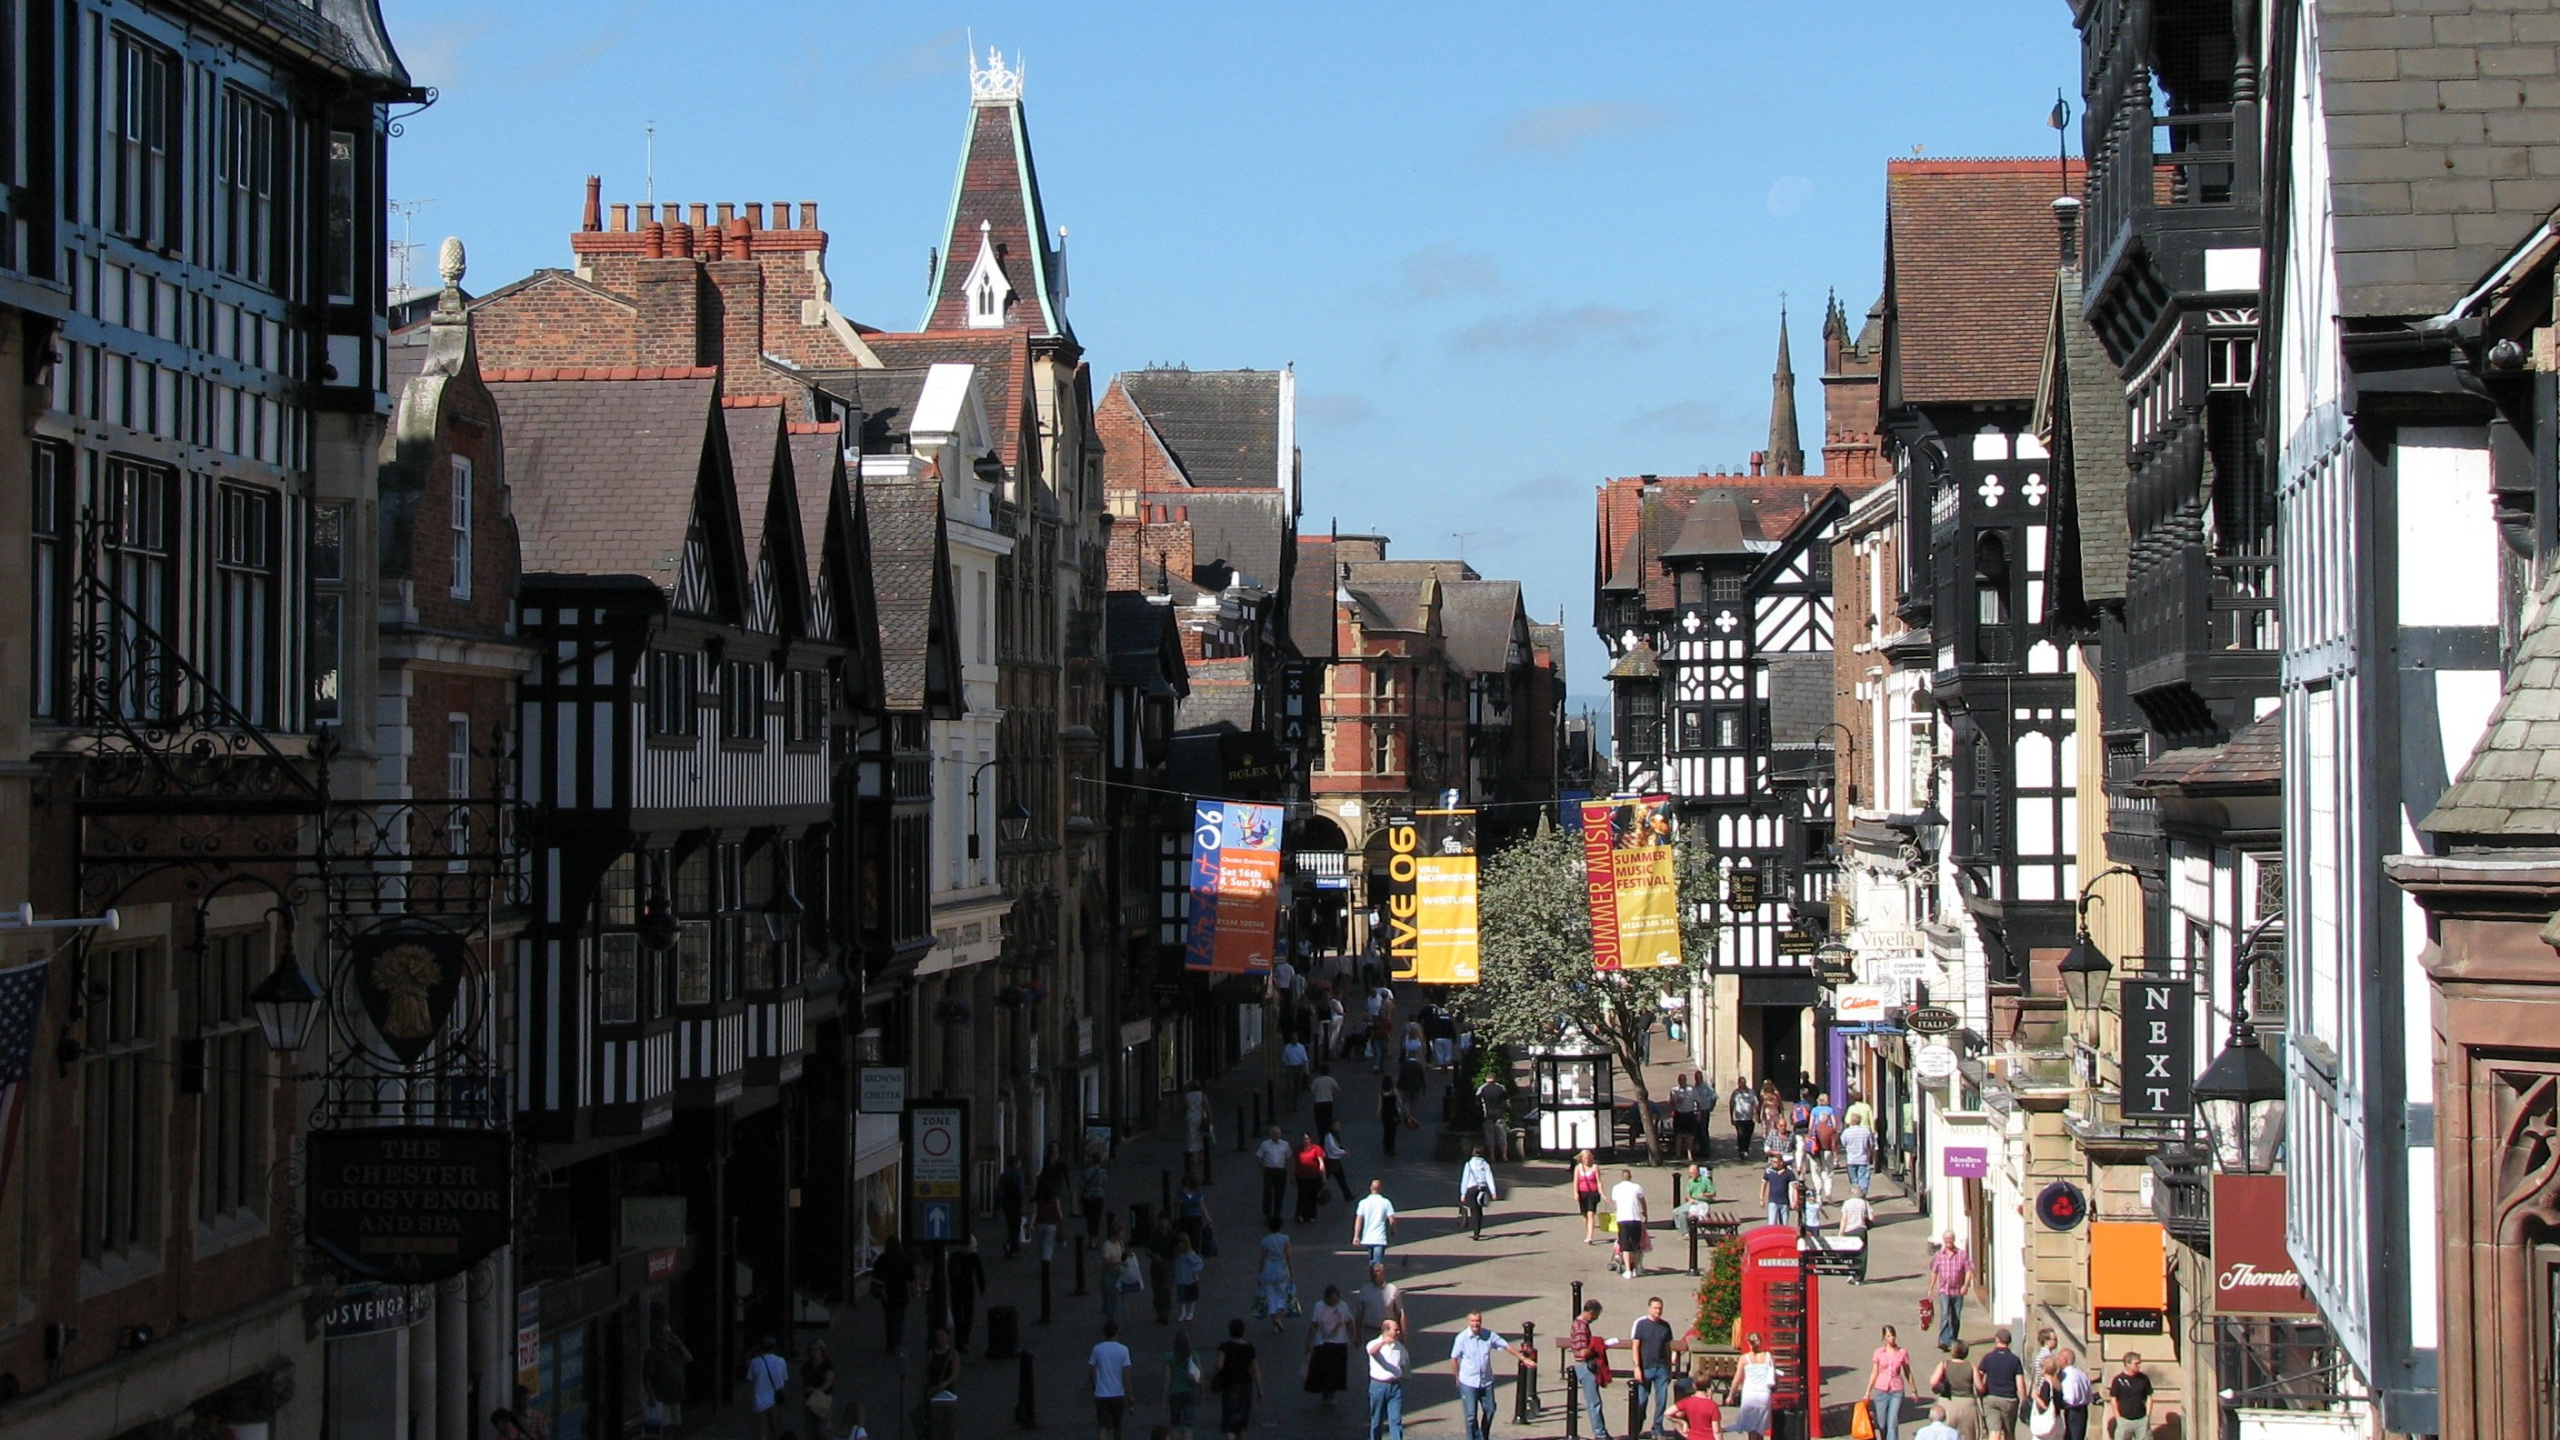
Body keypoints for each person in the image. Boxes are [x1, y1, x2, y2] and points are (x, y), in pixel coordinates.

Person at [1449, 1311, 1520, 1440]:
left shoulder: (1488, 1335)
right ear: (1468, 1322)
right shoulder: (1462, 1338)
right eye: (1473, 1321)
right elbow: (1453, 1358)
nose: (1475, 1324)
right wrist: (1457, 1376)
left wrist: (1522, 1358)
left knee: (1490, 1409)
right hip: (1468, 1382)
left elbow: (1505, 1345)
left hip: (1486, 1381)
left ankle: (1483, 1436)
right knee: (1471, 1416)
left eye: (1477, 1321)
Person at [1568, 1300, 1618, 1440]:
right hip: (1585, 1366)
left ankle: (1601, 1432)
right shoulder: (1580, 1327)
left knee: (1595, 1402)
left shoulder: (1581, 1324)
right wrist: (1599, 1345)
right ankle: (1600, 1434)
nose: (1596, 1318)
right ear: (1591, 1312)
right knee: (1594, 1402)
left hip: (1584, 1365)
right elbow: (1583, 1352)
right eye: (1596, 1314)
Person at [1631, 1295, 1679, 1440]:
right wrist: (1637, 1366)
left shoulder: (1665, 1326)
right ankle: (1636, 1427)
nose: (1658, 1311)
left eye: (1660, 1308)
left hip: (1662, 1368)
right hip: (1646, 1367)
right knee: (1641, 1400)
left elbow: (1667, 1347)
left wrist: (1670, 1367)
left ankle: (1657, 1428)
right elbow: (1635, 1346)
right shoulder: (1641, 1324)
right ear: (1649, 1308)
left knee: (1662, 1400)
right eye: (1655, 1308)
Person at [1214, 1318, 1264, 1440]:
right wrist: (1260, 1388)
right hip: (1245, 1386)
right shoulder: (1249, 1348)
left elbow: (1219, 1365)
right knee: (1242, 1424)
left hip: (1230, 1385)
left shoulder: (1225, 1347)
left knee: (1230, 1423)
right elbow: (1255, 1370)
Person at [1306, 1284, 1356, 1406]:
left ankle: (1332, 1393)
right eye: (1331, 1300)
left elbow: (1349, 1322)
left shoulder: (1343, 1306)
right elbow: (1314, 1325)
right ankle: (1325, 1391)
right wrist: (1309, 1342)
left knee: (1335, 1370)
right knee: (1323, 1369)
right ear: (1326, 1298)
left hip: (1339, 1343)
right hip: (1322, 1343)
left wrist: (1352, 1337)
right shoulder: (1319, 1306)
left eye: (1336, 1299)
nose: (1334, 1303)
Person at [642, 1319, 692, 1433]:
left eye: (670, 1332)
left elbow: (688, 1358)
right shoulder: (653, 1353)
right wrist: (651, 1395)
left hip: (675, 1395)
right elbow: (647, 1377)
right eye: (667, 1333)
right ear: (659, 1335)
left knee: (674, 1426)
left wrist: (679, 1344)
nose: (670, 1336)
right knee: (662, 1428)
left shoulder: (674, 1349)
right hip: (661, 1397)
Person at [1977, 1327, 2029, 1439]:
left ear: (1997, 1340)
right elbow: (2020, 1384)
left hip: (1990, 1398)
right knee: (2008, 1433)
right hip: (2009, 1399)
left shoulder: (1988, 1358)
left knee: (1994, 1432)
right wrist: (2024, 1401)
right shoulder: (2014, 1360)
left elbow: (1978, 1376)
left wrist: (1980, 1390)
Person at [1364, 1318, 1411, 1440]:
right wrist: (1383, 1342)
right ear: (1386, 1331)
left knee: (1396, 1420)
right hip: (1378, 1386)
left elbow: (1404, 1361)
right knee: (1377, 1420)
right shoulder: (1374, 1344)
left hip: (1395, 1386)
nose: (1398, 1332)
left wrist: (1403, 1373)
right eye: (1395, 1330)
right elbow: (1371, 1351)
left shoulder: (1398, 1346)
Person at [1928, 1339, 1981, 1438]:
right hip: (1967, 1404)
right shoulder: (1971, 1366)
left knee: (1946, 1435)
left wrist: (1939, 1388)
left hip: (1947, 1402)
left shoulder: (1944, 1364)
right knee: (1968, 1435)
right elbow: (1979, 1387)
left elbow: (1933, 1382)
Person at [1091, 1319, 1134, 1440]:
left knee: (1102, 1426)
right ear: (1117, 1332)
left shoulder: (1097, 1349)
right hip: (1118, 1393)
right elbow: (1126, 1375)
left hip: (1101, 1393)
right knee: (1118, 1426)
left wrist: (1095, 1386)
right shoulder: (1123, 1350)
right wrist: (1130, 1394)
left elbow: (1092, 1371)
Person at [1869, 1325, 1913, 1440]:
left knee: (1892, 1422)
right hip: (1880, 1390)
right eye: (1888, 1336)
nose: (1891, 1338)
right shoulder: (1878, 1352)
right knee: (1882, 1423)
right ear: (1884, 1337)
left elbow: (1908, 1372)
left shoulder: (1902, 1352)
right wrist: (1867, 1391)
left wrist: (1914, 1389)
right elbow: (1874, 1372)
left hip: (1896, 1391)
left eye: (1893, 1335)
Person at [871, 1242, 917, 1354]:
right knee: (899, 1320)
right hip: (901, 1293)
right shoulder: (903, 1259)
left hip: (886, 1293)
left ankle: (890, 1343)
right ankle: (897, 1344)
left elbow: (875, 1273)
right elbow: (911, 1276)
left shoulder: (882, 1259)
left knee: (889, 1318)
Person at [1728, 1332, 1775, 1438]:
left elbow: (1737, 1379)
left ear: (1748, 1343)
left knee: (1751, 1428)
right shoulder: (1768, 1356)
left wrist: (1731, 1395)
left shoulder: (1744, 1358)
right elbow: (1774, 1377)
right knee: (1760, 1428)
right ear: (1761, 1342)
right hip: (1764, 1394)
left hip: (1749, 1395)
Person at [1161, 1329, 1204, 1440]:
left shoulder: (1169, 1357)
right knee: (1188, 1426)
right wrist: (1202, 1393)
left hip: (1175, 1393)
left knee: (1175, 1425)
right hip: (1191, 1392)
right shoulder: (1194, 1356)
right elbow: (1200, 1376)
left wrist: (1165, 1398)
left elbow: (1167, 1379)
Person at [1609, 1168, 1651, 1279]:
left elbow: (1616, 1204)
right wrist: (1645, 1213)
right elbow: (1643, 1201)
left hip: (1623, 1219)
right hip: (1635, 1219)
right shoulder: (1637, 1187)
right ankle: (1636, 1268)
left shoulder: (1616, 1188)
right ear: (1630, 1177)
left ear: (1621, 1178)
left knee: (1625, 1246)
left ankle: (1628, 1270)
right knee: (1636, 1246)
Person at [746, 1335, 790, 1440]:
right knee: (776, 1431)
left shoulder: (754, 1362)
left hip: (759, 1400)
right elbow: (783, 1379)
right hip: (775, 1399)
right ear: (774, 1347)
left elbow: (750, 1380)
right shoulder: (781, 1361)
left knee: (762, 1432)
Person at [1256, 1218, 1294, 1331]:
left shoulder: (1265, 1240)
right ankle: (1278, 1317)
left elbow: (1262, 1258)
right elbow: (1288, 1256)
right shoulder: (1285, 1239)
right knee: (1282, 1295)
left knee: (1270, 1296)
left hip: (1268, 1269)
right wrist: (1292, 1273)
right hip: (1281, 1268)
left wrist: (1259, 1273)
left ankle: (1274, 1324)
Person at [2105, 1352, 2153, 1440]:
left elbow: (2149, 1397)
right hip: (2124, 1419)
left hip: (2141, 1420)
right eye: (2136, 1364)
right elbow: (2113, 1399)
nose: (2139, 1366)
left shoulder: (2143, 1379)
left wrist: (2147, 1416)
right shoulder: (2118, 1380)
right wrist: (2118, 1417)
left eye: (2139, 1363)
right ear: (2127, 1364)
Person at [1036, 1143, 1070, 1262]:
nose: (1055, 1149)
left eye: (1056, 1147)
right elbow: (1043, 1170)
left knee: (1054, 1202)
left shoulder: (1061, 1159)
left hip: (1056, 1185)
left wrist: (1069, 1185)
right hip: (1047, 1184)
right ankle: (1045, 1260)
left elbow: (1065, 1173)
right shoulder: (1046, 1159)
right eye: (1053, 1147)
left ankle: (1044, 1260)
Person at [1355, 1262, 1406, 1342]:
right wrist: (1358, 1335)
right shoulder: (1365, 1291)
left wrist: (1403, 1334)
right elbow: (1359, 1314)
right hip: (1370, 1332)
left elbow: (1400, 1313)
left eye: (1377, 1271)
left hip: (1388, 1332)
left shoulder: (1392, 1290)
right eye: (1372, 1272)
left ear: (1383, 1273)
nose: (1374, 1274)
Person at [1144, 1215, 1180, 1326]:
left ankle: (1165, 1314)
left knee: (1167, 1289)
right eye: (1161, 1221)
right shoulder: (1153, 1234)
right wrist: (1155, 1256)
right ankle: (1160, 1313)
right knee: (1157, 1291)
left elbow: (1178, 1246)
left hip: (1168, 1263)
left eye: (1165, 1221)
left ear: (1168, 1222)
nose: (1163, 1223)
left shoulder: (1172, 1235)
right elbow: (1147, 1250)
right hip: (1156, 1265)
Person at [1353, 1178, 1398, 1269]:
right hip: (1379, 1238)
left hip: (1367, 1238)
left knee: (1373, 1261)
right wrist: (1393, 1229)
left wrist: (1356, 1236)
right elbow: (1392, 1219)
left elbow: (1358, 1219)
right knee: (1377, 1263)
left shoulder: (1363, 1203)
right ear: (1380, 1189)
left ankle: (1373, 1278)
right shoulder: (1386, 1202)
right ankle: (1376, 1280)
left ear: (1370, 1188)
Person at [1459, 1146, 1498, 1241]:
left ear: (1472, 1153)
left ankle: (1474, 1229)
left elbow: (1465, 1179)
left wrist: (1463, 1193)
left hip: (1471, 1189)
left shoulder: (1468, 1164)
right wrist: (1493, 1192)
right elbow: (1489, 1178)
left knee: (1473, 1210)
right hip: (1482, 1189)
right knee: (1479, 1211)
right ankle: (1477, 1230)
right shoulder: (1485, 1165)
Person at [1256, 1127, 1293, 1225]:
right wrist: (1263, 1167)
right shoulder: (1265, 1144)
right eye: (1274, 1133)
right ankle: (1267, 1214)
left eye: (1277, 1133)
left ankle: (1277, 1214)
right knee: (1268, 1192)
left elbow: (1289, 1156)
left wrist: (1286, 1167)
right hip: (1269, 1169)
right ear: (1271, 1134)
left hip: (1281, 1170)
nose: (1276, 1135)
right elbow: (1259, 1156)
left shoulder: (1285, 1144)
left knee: (1279, 1193)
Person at [1838, 1190, 1875, 1284]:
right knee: (1862, 1254)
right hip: (1861, 1230)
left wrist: (1841, 1232)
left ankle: (1851, 1272)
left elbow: (1844, 1219)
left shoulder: (1847, 1203)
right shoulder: (1864, 1203)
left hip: (1849, 1231)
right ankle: (1859, 1278)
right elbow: (1871, 1218)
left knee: (1848, 1253)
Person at [1669, 1374, 1721, 1440]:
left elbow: (1667, 1413)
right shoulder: (1713, 1405)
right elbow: (1716, 1431)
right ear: (1709, 1386)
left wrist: (1682, 1423)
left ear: (1694, 1386)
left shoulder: (1687, 1401)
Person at [800, 1340, 837, 1433]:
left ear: (822, 1351)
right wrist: (807, 1389)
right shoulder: (807, 1366)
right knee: (810, 1427)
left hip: (824, 1397)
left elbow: (829, 1382)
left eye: (816, 1350)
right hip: (809, 1399)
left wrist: (817, 1391)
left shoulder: (827, 1364)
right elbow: (802, 1382)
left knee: (823, 1428)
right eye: (811, 1350)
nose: (813, 1352)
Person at [2056, 1349, 2094, 1440]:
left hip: (2073, 1410)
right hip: (2083, 1409)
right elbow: (2089, 1393)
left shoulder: (2068, 1376)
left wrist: (2060, 1403)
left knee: (2073, 1436)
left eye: (2059, 1359)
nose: (2057, 1361)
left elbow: (2070, 1398)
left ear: (2065, 1360)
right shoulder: (2081, 1373)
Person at [1294, 1132, 1329, 1224]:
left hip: (1314, 1177)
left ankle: (1311, 1215)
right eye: (1304, 1139)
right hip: (1301, 1177)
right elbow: (1293, 1162)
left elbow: (1321, 1163)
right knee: (1302, 1196)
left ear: (1310, 1139)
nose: (1305, 1141)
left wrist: (1324, 1177)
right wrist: (1292, 1175)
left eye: (1307, 1138)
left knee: (1312, 1196)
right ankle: (1300, 1215)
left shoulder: (1316, 1149)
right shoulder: (1298, 1149)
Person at [1841, 1112, 1878, 1198]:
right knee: (1863, 1178)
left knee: (1854, 1180)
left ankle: (1855, 1194)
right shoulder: (1866, 1131)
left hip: (1851, 1159)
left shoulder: (1846, 1132)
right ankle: (1862, 1194)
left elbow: (1843, 1143)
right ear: (1860, 1121)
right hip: (1863, 1158)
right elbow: (1871, 1144)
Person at [998, 1156, 1029, 1258]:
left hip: (1006, 1201)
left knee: (1011, 1225)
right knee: (1016, 1226)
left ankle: (1011, 1247)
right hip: (1016, 1202)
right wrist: (1022, 1203)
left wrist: (998, 1203)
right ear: (1016, 1163)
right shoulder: (1019, 1174)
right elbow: (1021, 1189)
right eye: (1019, 1162)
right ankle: (1012, 1248)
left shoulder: (1004, 1175)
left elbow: (999, 1189)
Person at [1476, 1072, 1511, 1161]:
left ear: (1486, 1079)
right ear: (1495, 1079)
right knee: (1502, 1136)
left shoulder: (1482, 1088)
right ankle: (1504, 1155)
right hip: (1499, 1114)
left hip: (1487, 1115)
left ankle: (1492, 1156)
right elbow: (1507, 1101)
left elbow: (1477, 1101)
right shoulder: (1501, 1088)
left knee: (1490, 1137)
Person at [1082, 1146, 1114, 1242]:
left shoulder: (1086, 1171)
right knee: (1096, 1218)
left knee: (1089, 1218)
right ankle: (1093, 1240)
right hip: (1098, 1197)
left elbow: (1081, 1184)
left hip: (1087, 1197)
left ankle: (1090, 1235)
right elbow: (1104, 1184)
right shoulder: (1103, 1172)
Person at [1173, 1233, 1206, 1323]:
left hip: (1190, 1279)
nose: (1180, 1245)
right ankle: (1183, 1312)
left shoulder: (1190, 1254)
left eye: (1182, 1243)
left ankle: (1191, 1312)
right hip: (1180, 1279)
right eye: (1179, 1243)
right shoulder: (1178, 1255)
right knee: (1181, 1297)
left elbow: (1199, 1263)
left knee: (1192, 1296)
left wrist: (1194, 1272)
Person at [1574, 1150, 1605, 1244]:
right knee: (1585, 1216)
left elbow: (1599, 1181)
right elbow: (1576, 1181)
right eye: (1585, 1158)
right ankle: (1587, 1233)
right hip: (1582, 1193)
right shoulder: (1578, 1168)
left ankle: (1590, 1236)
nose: (1587, 1160)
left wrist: (1602, 1193)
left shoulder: (1595, 1167)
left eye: (1589, 1158)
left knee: (1591, 1214)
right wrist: (1575, 1192)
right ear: (1582, 1159)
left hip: (1593, 1193)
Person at [1175, 1174, 1212, 1254]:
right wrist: (1182, 1202)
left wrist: (1207, 1217)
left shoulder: (1198, 1191)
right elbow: (1177, 1201)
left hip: (1196, 1217)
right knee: (1186, 1236)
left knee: (1196, 1237)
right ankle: (1186, 1252)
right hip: (1185, 1217)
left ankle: (1194, 1253)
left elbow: (1202, 1205)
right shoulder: (1181, 1191)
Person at [1761, 1152, 1796, 1231]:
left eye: (1775, 1162)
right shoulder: (1769, 1171)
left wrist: (1795, 1201)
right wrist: (1761, 1199)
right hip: (1773, 1201)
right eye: (1772, 1162)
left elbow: (1794, 1188)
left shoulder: (1789, 1173)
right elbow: (1763, 1184)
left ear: (1781, 1162)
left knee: (1784, 1225)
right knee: (1771, 1224)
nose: (1773, 1164)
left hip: (1785, 1202)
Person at [1670, 1071, 1700, 1161]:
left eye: (1683, 1080)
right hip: (1679, 1113)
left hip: (1689, 1113)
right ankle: (1678, 1153)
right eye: (1680, 1080)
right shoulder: (1674, 1090)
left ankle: (1689, 1154)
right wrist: (1676, 1102)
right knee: (1678, 1135)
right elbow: (1670, 1103)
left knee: (1689, 1135)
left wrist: (1698, 1113)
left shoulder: (1692, 1089)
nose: (1682, 1082)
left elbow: (1698, 1101)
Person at [1325, 1126, 1356, 1202]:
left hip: (1335, 1161)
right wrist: (1344, 1152)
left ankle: (1348, 1195)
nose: (1339, 1127)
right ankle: (1348, 1195)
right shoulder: (1329, 1137)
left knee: (1341, 1179)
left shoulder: (1333, 1135)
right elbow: (1333, 1149)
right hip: (1332, 1161)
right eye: (1337, 1125)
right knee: (1333, 1178)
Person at [1729, 1079, 1758, 1158]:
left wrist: (1756, 1114)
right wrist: (1731, 1116)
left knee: (1748, 1135)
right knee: (1741, 1135)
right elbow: (1731, 1104)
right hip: (1739, 1118)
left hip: (1749, 1118)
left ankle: (1746, 1150)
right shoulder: (1735, 1093)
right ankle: (1741, 1150)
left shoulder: (1751, 1092)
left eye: (1744, 1082)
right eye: (1741, 1082)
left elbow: (1756, 1103)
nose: (1742, 1084)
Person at [1310, 1065, 1342, 1138]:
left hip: (1318, 1102)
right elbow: (1337, 1089)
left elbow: (1312, 1090)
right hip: (1328, 1102)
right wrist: (1332, 1094)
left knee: (1319, 1122)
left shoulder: (1316, 1080)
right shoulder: (1331, 1080)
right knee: (1328, 1120)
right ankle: (1328, 1136)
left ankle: (1321, 1136)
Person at [1377, 1079, 1406, 1158]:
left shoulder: (1381, 1092)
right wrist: (1402, 1107)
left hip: (1385, 1114)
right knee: (1393, 1132)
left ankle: (1386, 1148)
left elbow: (1380, 1104)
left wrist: (1378, 1114)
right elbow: (1399, 1101)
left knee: (1386, 1131)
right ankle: (1392, 1149)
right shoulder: (1394, 1091)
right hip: (1393, 1113)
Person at [1281, 1036, 1311, 1106]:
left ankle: (1294, 1102)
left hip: (1299, 1066)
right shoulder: (1287, 1047)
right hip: (1290, 1067)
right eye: (1293, 1038)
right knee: (1290, 1085)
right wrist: (1283, 1069)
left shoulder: (1301, 1047)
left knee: (1297, 1085)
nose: (1294, 1040)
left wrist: (1306, 1070)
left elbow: (1305, 1059)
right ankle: (1289, 1103)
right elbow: (1284, 1059)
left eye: (1295, 1038)